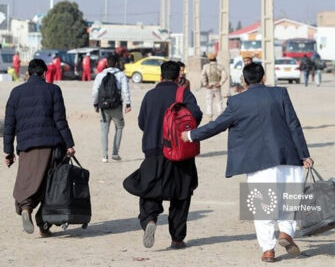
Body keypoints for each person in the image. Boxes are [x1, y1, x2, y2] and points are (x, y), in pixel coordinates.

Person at [181, 63, 314, 262]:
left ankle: (268, 250)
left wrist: (191, 135)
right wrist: (304, 154)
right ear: (263, 78)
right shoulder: (280, 94)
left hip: (258, 161)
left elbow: (217, 125)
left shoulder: (237, 102)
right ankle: (286, 233)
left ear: (245, 81)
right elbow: (293, 124)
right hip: (289, 156)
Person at [123, 61, 203, 249]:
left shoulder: (150, 95)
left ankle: (150, 219)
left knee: (149, 190)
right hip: (180, 152)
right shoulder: (184, 93)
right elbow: (196, 117)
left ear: (160, 76)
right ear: (178, 77)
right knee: (181, 195)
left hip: (153, 151)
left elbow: (142, 122)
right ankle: (177, 238)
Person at [3, 59, 75, 237]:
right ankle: (44, 226)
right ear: (44, 73)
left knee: (28, 181)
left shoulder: (16, 92)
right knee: (50, 185)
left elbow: (9, 124)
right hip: (51, 145)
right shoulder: (53, 90)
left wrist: (8, 151)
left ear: (28, 73)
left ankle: (26, 208)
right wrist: (69, 144)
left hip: (26, 146)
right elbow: (60, 120)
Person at [92, 55, 131, 162]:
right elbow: (125, 91)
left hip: (103, 107)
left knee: (104, 131)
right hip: (116, 106)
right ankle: (115, 153)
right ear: (117, 63)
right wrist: (128, 104)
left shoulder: (100, 75)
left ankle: (104, 156)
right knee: (119, 127)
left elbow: (95, 91)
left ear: (106, 64)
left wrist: (95, 104)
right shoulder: (121, 75)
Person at [201, 53, 227, 120]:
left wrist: (205, 84)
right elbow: (225, 76)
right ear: (215, 58)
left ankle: (210, 118)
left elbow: (202, 76)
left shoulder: (206, 66)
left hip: (209, 86)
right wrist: (220, 83)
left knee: (209, 102)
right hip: (217, 86)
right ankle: (220, 117)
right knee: (219, 102)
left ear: (209, 59)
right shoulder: (220, 66)